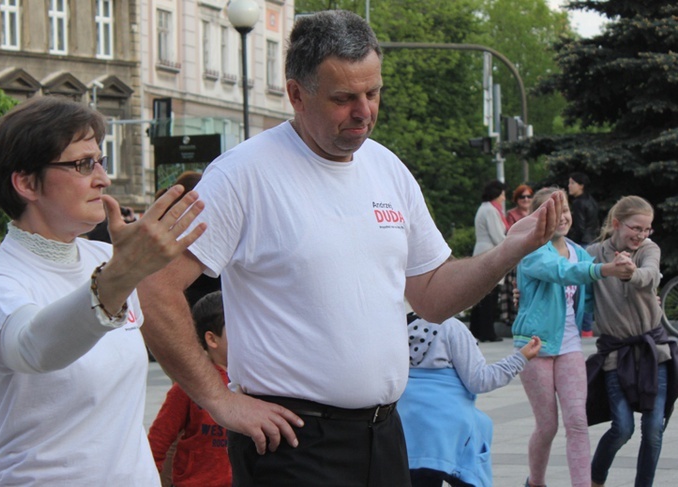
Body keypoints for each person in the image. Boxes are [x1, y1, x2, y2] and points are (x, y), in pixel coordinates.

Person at [138, 10, 563, 486]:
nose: (364, 111)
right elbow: (154, 287)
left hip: (383, 433)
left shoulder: (386, 168)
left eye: (373, 92)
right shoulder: (242, 175)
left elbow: (433, 295)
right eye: (343, 98)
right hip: (291, 442)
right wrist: (219, 401)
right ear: (297, 94)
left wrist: (512, 248)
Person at [0, 96, 206, 486]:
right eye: (82, 164)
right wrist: (119, 276)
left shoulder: (106, 256)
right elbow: (33, 347)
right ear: (26, 182)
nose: (103, 178)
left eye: (100, 161)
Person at [512, 188, 634, 487]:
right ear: (540, 218)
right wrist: (605, 269)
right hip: (535, 346)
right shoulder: (530, 251)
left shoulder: (579, 252)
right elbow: (564, 272)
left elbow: (594, 293)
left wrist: (641, 297)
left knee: (577, 422)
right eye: (555, 211)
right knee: (548, 425)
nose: (563, 217)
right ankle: (535, 483)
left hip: (569, 347)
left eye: (565, 209)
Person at [586, 196, 678, 487]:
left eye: (646, 229)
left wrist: (629, 273)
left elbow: (650, 275)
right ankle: (594, 479)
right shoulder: (593, 253)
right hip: (616, 353)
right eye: (635, 228)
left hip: (654, 352)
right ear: (616, 224)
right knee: (622, 427)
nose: (641, 235)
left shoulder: (649, 249)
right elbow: (563, 270)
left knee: (653, 429)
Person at [398, 313, 541, 487]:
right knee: (469, 473)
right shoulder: (452, 327)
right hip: (451, 429)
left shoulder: (398, 325)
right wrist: (521, 358)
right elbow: (480, 380)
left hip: (407, 431)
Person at [148, 290, 231, 487]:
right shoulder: (189, 385)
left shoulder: (254, 382)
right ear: (212, 340)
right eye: (237, 328)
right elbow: (158, 442)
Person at [469, 180, 508, 343]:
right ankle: (487, 332)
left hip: (482, 252)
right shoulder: (491, 211)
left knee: (480, 296)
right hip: (490, 253)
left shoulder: (483, 208)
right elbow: (498, 236)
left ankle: (477, 329)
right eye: (503, 194)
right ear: (497, 194)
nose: (504, 198)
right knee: (489, 296)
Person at [500, 185, 535, 326]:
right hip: (519, 258)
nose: (526, 199)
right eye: (522, 197)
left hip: (535, 256)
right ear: (517, 199)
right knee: (517, 290)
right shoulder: (511, 215)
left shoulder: (535, 213)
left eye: (528, 196)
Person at [567, 172, 599, 246]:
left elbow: (580, 229)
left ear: (581, 186)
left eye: (572, 183)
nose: (569, 186)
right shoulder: (592, 201)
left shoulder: (578, 203)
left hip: (582, 243)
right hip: (593, 241)